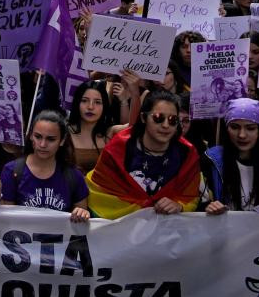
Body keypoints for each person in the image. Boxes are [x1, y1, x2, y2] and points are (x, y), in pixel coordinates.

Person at [86, 90, 203, 218]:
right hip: (122, 230)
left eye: (172, 120)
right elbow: (99, 189)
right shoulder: (119, 147)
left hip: (167, 232)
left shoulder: (187, 153)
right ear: (143, 118)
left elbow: (190, 196)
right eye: (158, 118)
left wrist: (180, 206)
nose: (165, 125)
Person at [0, 111, 90, 222]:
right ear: (31, 137)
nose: (43, 144)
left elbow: (81, 215)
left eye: (50, 139)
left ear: (62, 140)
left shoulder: (73, 175)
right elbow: (6, 217)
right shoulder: (12, 170)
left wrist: (82, 213)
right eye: (38, 137)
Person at [67, 80, 117, 173]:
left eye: (97, 102)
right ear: (77, 103)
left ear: (104, 105)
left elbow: (134, 127)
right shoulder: (64, 132)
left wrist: (133, 93)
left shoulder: (110, 133)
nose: (90, 107)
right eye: (84, 100)